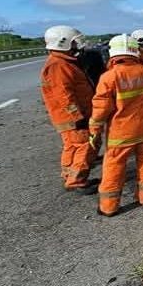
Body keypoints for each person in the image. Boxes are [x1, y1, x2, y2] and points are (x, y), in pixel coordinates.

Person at [89, 34, 143, 217]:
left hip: (121, 134)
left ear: (113, 54)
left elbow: (100, 110)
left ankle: (109, 207)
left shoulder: (108, 78)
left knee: (114, 167)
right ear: (135, 52)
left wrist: (94, 131)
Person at [40, 25, 98, 194]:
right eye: (74, 43)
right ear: (63, 43)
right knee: (84, 146)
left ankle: (69, 175)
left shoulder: (61, 62)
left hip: (63, 116)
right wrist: (77, 116)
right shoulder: (59, 65)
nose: (76, 46)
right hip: (71, 116)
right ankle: (76, 180)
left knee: (71, 146)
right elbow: (64, 94)